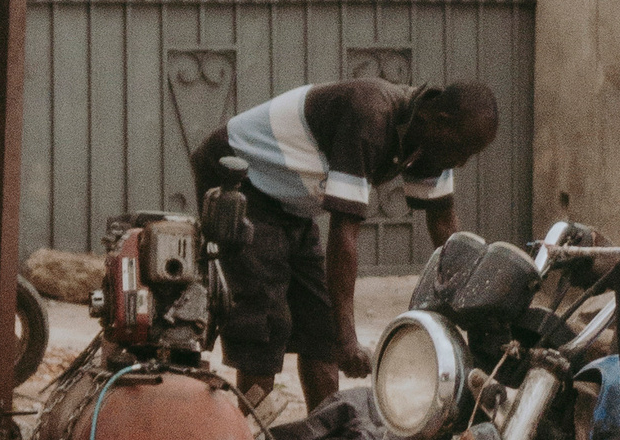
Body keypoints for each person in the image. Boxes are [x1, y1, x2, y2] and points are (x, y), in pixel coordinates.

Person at [191, 76, 498, 409]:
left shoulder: (430, 142)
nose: (462, 162)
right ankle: (245, 434)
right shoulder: (370, 116)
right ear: (441, 121)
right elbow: (344, 234)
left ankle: (327, 432)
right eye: (463, 150)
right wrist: (349, 338)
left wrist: (477, 312)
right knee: (265, 318)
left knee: (321, 328)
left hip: (288, 201)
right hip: (239, 176)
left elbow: (443, 225)